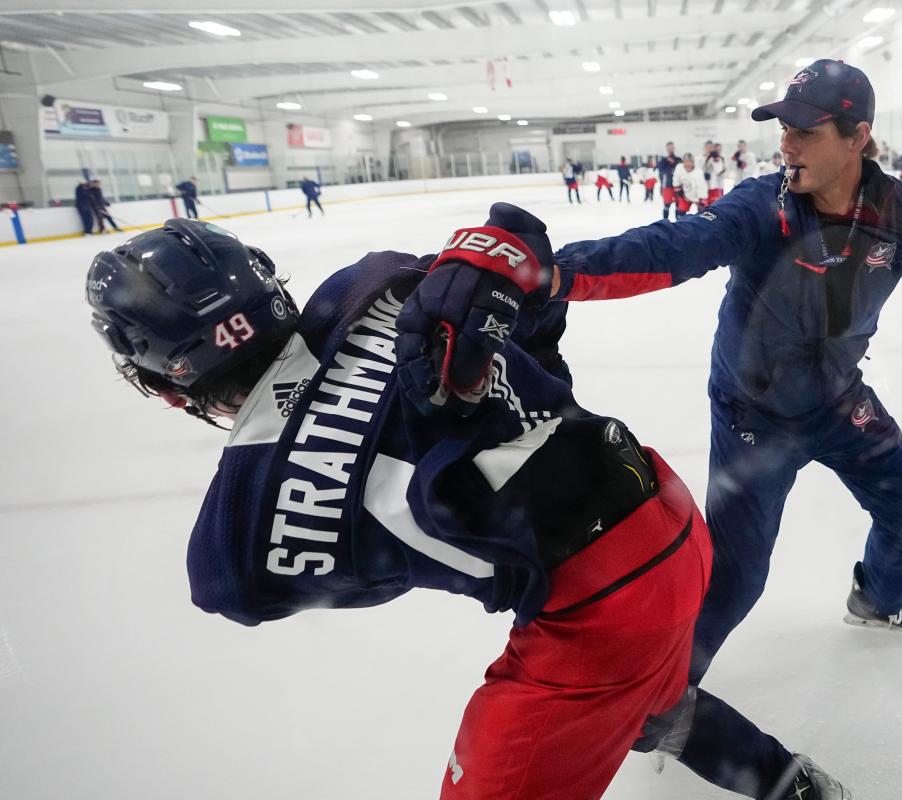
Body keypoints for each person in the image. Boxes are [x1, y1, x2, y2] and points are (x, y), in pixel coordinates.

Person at [84, 213, 850, 800]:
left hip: (600, 602)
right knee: (647, 697)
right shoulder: (373, 281)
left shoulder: (236, 535)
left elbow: (242, 590)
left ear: (165, 384)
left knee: (570, 720)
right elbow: (528, 332)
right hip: (661, 509)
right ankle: (789, 782)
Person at [549, 59, 902, 701]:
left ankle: (877, 599)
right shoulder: (765, 208)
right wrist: (549, 273)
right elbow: (670, 248)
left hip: (837, 400)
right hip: (754, 415)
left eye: (806, 130)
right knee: (736, 577)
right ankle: (658, 695)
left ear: (858, 137)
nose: (787, 142)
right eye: (785, 126)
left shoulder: (901, 214)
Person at [671, 153, 708, 217]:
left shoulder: (698, 172)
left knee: (702, 216)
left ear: (693, 163)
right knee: (680, 215)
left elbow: (702, 187)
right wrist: (678, 190)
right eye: (686, 162)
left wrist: (702, 200)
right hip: (685, 195)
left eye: (690, 162)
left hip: (697, 196)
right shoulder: (679, 168)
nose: (688, 164)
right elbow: (676, 180)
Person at [658, 141, 684, 220]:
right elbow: (661, 172)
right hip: (667, 185)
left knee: (678, 205)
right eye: (668, 147)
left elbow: (681, 170)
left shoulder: (678, 159)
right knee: (666, 205)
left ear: (674, 148)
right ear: (666, 148)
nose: (670, 149)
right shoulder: (663, 160)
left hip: (677, 186)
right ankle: (664, 224)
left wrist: (674, 163)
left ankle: (678, 223)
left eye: (671, 147)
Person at [704, 142, 726, 207]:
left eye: (711, 147)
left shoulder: (718, 158)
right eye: (708, 147)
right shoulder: (702, 158)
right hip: (705, 187)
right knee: (704, 208)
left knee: (715, 206)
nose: (709, 149)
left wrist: (716, 161)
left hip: (716, 186)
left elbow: (719, 171)